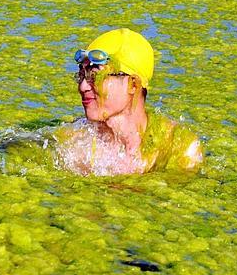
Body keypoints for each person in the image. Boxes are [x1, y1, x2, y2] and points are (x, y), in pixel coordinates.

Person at [54, 28, 203, 176]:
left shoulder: (178, 148)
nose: (83, 86)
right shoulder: (75, 142)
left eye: (95, 77)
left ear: (133, 84)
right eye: (81, 76)